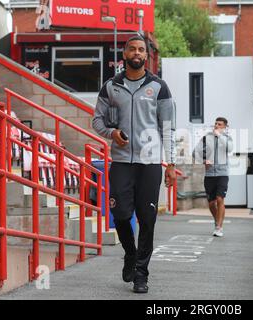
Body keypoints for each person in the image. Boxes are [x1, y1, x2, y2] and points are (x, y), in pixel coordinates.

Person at [92, 35, 176, 294]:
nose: (137, 52)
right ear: (124, 54)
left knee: (147, 219)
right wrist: (111, 134)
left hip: (150, 163)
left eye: (141, 49)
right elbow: (97, 121)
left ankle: (141, 274)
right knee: (121, 215)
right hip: (121, 162)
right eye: (132, 49)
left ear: (146, 55)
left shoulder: (159, 87)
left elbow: (168, 128)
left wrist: (170, 164)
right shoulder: (111, 87)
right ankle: (130, 253)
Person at [192, 117, 233, 237]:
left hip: (222, 174)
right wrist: (204, 160)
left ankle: (219, 227)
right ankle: (217, 220)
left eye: (219, 124)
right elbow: (195, 152)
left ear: (225, 127)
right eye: (215, 123)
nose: (216, 126)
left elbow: (229, 149)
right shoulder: (206, 138)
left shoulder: (227, 138)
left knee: (220, 199)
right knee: (211, 203)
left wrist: (219, 136)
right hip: (209, 174)